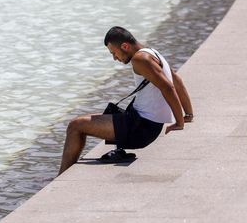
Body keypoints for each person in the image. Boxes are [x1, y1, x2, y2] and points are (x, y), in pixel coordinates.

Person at [58, 26, 194, 175]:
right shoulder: (153, 53)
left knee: (75, 126)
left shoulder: (140, 59)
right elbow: (177, 80)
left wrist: (179, 122)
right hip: (142, 124)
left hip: (140, 127)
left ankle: (60, 177)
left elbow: (168, 88)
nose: (115, 58)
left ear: (124, 46)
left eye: (114, 53)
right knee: (88, 121)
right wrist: (188, 113)